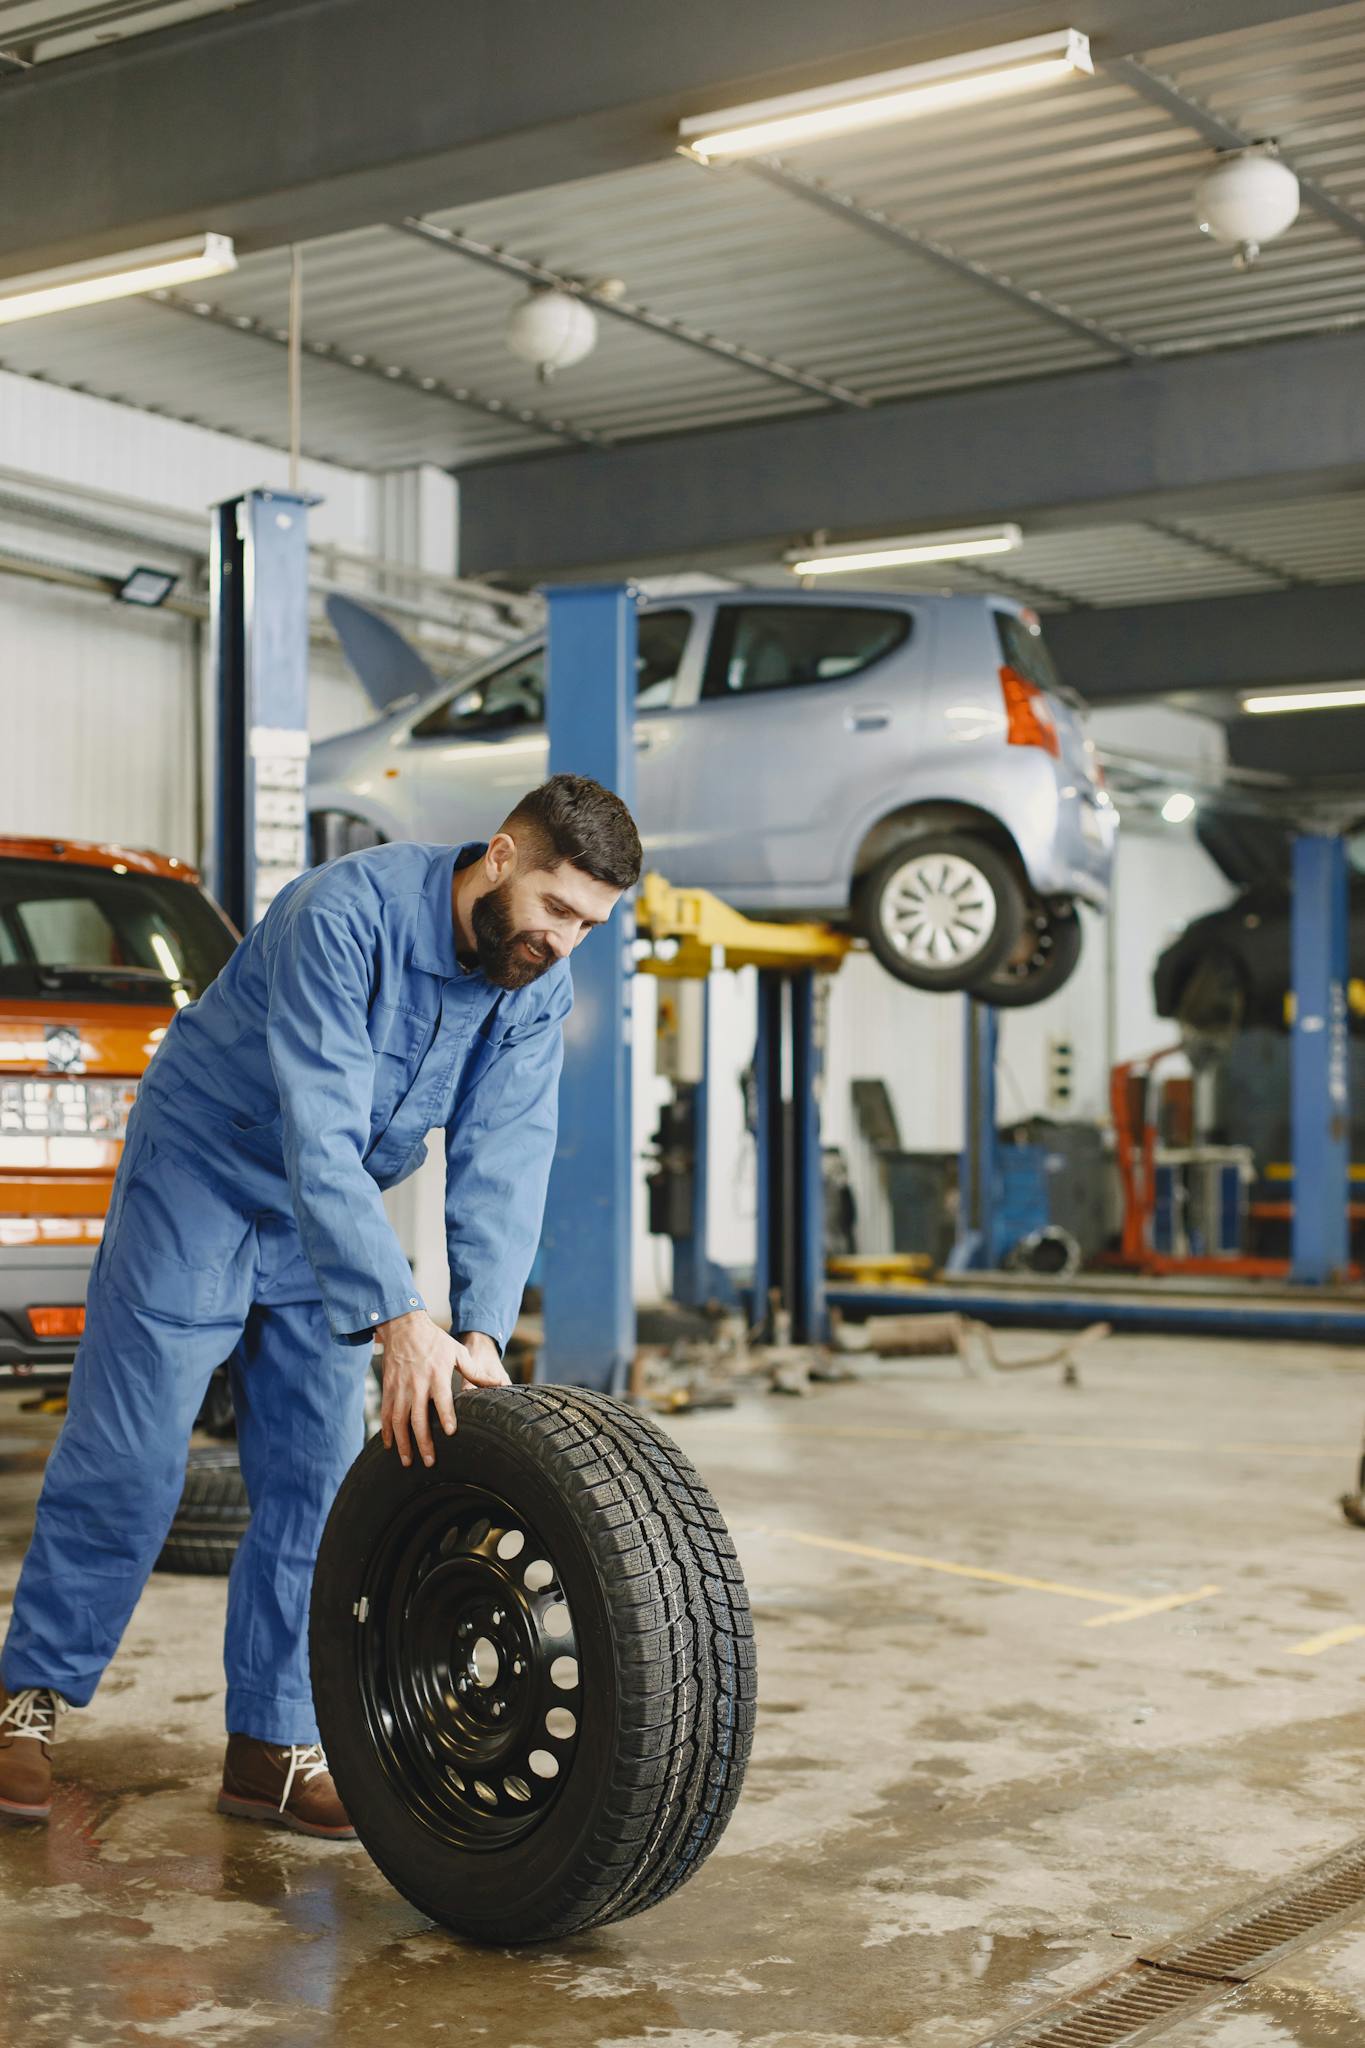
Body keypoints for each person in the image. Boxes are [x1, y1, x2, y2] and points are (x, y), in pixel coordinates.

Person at [0, 773, 641, 1833]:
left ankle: (271, 1740)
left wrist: (477, 1325)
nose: (568, 940)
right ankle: (28, 1700)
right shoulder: (342, 917)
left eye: (592, 923)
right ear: (500, 856)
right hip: (203, 1178)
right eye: (558, 908)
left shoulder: (536, 982)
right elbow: (322, 1130)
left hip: (323, 1221)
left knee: (314, 1471)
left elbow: (506, 1154)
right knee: (135, 1456)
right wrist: (398, 1319)